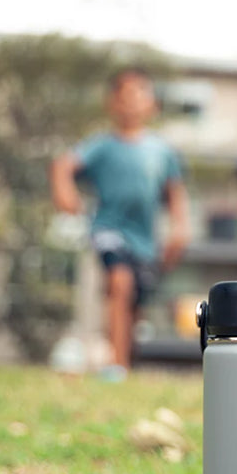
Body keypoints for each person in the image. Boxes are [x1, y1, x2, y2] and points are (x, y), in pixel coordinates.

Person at [49, 66, 189, 379]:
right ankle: (116, 365)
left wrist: (180, 230)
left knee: (134, 303)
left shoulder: (161, 151)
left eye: (139, 96)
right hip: (108, 228)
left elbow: (175, 193)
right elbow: (63, 164)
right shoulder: (101, 145)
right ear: (112, 103)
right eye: (124, 96)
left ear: (152, 105)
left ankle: (124, 359)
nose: (131, 103)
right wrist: (64, 191)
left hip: (144, 240)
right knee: (119, 281)